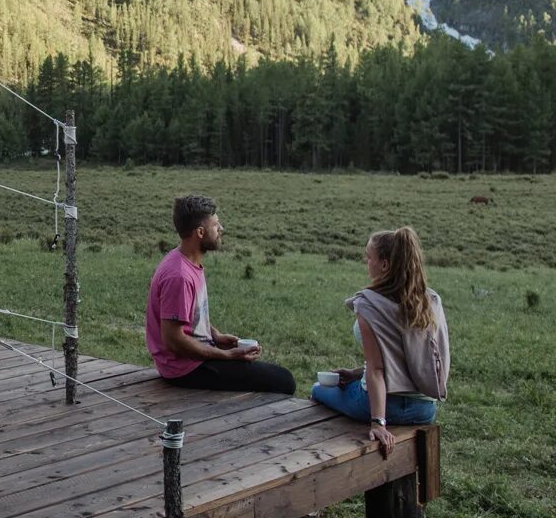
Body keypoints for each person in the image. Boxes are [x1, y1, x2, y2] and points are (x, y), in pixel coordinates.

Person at [312, 226, 452, 456]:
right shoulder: (429, 301)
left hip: (379, 404)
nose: (366, 262)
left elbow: (377, 368)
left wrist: (378, 423)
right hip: (424, 408)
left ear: (384, 264)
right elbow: (410, 357)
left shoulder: (369, 303)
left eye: (369, 257)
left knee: (318, 390)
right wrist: (357, 373)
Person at [145, 195, 296, 394]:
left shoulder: (185, 261)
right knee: (284, 381)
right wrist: (227, 356)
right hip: (184, 369)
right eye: (216, 225)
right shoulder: (179, 276)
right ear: (200, 232)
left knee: (274, 376)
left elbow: (189, 316)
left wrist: (215, 335)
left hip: (191, 359)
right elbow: (173, 340)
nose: (221, 229)